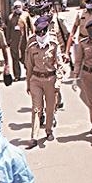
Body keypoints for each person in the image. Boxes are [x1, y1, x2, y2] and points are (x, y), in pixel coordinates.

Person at [25, 17, 65, 149]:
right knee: (36, 109)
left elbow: (60, 65)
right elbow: (29, 67)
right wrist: (28, 84)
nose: (41, 35)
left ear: (47, 31)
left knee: (50, 108)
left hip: (50, 80)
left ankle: (48, 130)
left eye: (43, 32)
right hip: (36, 80)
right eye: (38, 33)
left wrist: (58, 82)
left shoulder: (53, 45)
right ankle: (34, 136)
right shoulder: (32, 47)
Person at [70, 17, 92, 147]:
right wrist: (75, 78)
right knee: (91, 103)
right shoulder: (83, 43)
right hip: (87, 75)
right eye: (91, 29)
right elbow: (78, 61)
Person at [65, 0, 92, 64]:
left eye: (91, 3)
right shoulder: (80, 14)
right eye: (88, 3)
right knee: (79, 62)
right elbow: (72, 32)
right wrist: (67, 52)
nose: (89, 5)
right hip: (82, 41)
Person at [7, 1, 34, 81]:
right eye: (16, 7)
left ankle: (29, 73)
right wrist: (8, 40)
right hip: (14, 42)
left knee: (25, 58)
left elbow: (31, 26)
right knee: (15, 59)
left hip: (24, 41)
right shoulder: (10, 17)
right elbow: (8, 29)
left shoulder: (26, 15)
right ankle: (17, 75)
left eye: (19, 7)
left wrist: (34, 36)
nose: (18, 8)